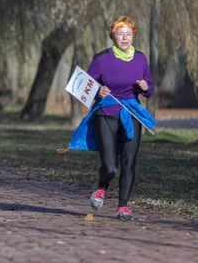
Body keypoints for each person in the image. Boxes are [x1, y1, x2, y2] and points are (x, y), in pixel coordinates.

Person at [66, 16, 156, 221]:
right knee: (110, 166)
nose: (124, 38)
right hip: (106, 114)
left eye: (128, 34)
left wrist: (145, 88)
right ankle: (101, 187)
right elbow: (85, 87)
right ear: (112, 36)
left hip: (132, 114)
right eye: (120, 34)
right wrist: (99, 91)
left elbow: (149, 89)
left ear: (133, 35)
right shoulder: (101, 59)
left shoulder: (141, 58)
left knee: (129, 161)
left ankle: (123, 206)